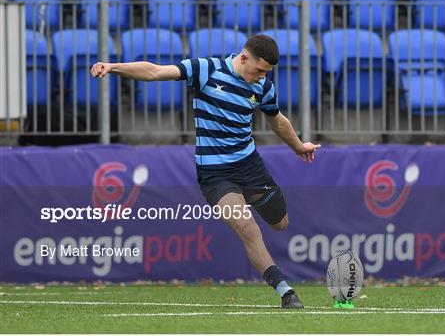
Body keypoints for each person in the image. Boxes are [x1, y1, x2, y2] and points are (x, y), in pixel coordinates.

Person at [90, 34, 321, 308]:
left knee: (280, 223)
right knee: (247, 228)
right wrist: (113, 66)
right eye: (259, 70)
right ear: (243, 57)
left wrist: (298, 146)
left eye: (266, 73)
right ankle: (285, 292)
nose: (261, 77)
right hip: (215, 174)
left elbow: (276, 120)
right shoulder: (206, 70)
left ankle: (255, 204)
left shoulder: (263, 86)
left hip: (250, 167)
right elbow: (154, 72)